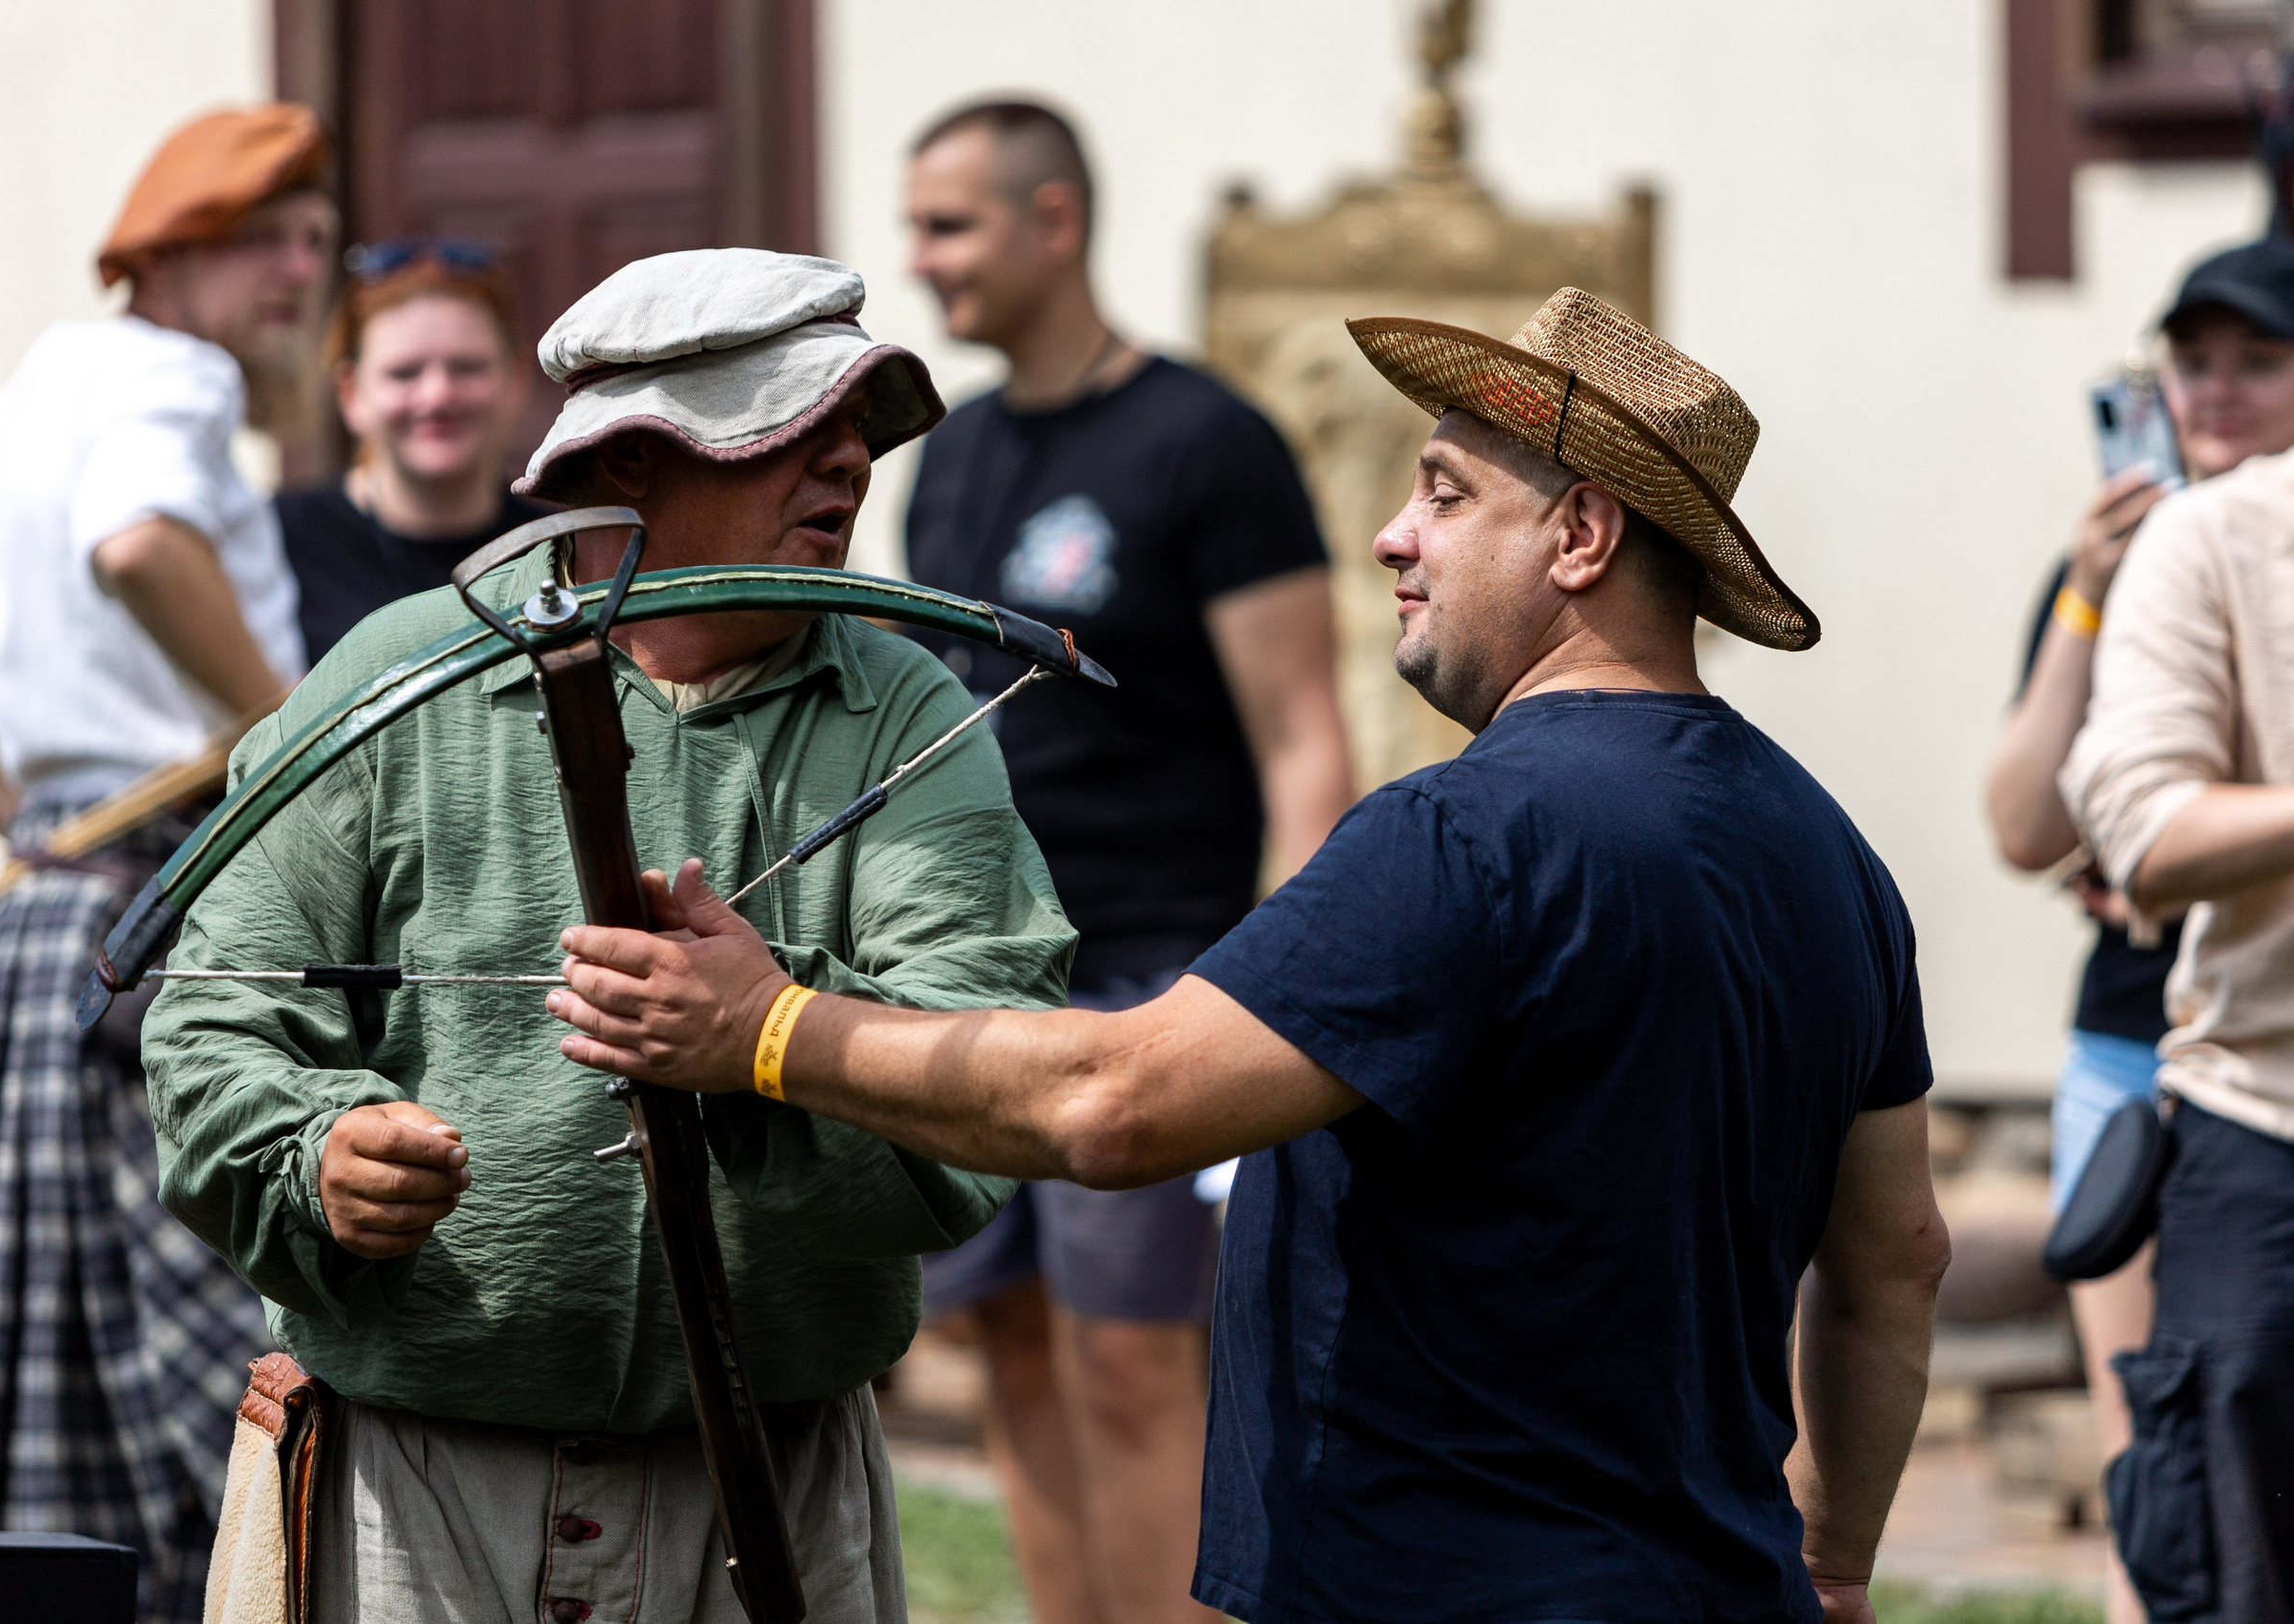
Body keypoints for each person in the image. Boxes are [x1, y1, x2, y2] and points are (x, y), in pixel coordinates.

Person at [545, 288, 1953, 1624]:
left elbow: (1118, 1100)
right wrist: (1830, 1563)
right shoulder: (1832, 856)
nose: (1395, 537)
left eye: (1447, 494)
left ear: (1582, 534)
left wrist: (766, 1028)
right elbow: (1898, 1255)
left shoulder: (1462, 833)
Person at [141, 247, 1071, 1624]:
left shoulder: (903, 708)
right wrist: (315, 1153)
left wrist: (769, 1035)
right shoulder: (398, 680)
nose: (848, 467)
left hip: (773, 1481)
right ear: (631, 460)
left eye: (857, 432)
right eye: (793, 432)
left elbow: (987, 1054)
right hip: (420, 1480)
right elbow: (218, 1009)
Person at [0, 106, 328, 1622]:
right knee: (216, 1342)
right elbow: (139, 544)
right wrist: (293, 736)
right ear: (170, 255)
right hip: (157, 923)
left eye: (316, 244)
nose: (301, 277)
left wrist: (28, 819)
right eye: (268, 241)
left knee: (9, 1348)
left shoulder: (26, 401)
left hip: (40, 930)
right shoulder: (169, 388)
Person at [901, 100, 1354, 1624]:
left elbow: (1304, 733)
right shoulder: (949, 458)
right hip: (977, 975)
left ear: (1054, 220)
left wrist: (1290, 990)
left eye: (951, 224)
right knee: (1009, 1336)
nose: (922, 258)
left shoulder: (1207, 442)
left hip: (1155, 972)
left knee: (1131, 1347)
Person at [1986, 233, 2294, 1624]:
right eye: (2193, 362)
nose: (2217, 392)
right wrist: (2087, 592)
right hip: (2143, 1049)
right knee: (2158, 1476)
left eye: (2258, 362)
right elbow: (2024, 823)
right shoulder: (2118, 555)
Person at [276, 237, 549, 665]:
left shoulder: (563, 550)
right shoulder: (273, 542)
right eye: (404, 373)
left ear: (516, 380)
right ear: (351, 394)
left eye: (467, 367)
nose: (437, 396)